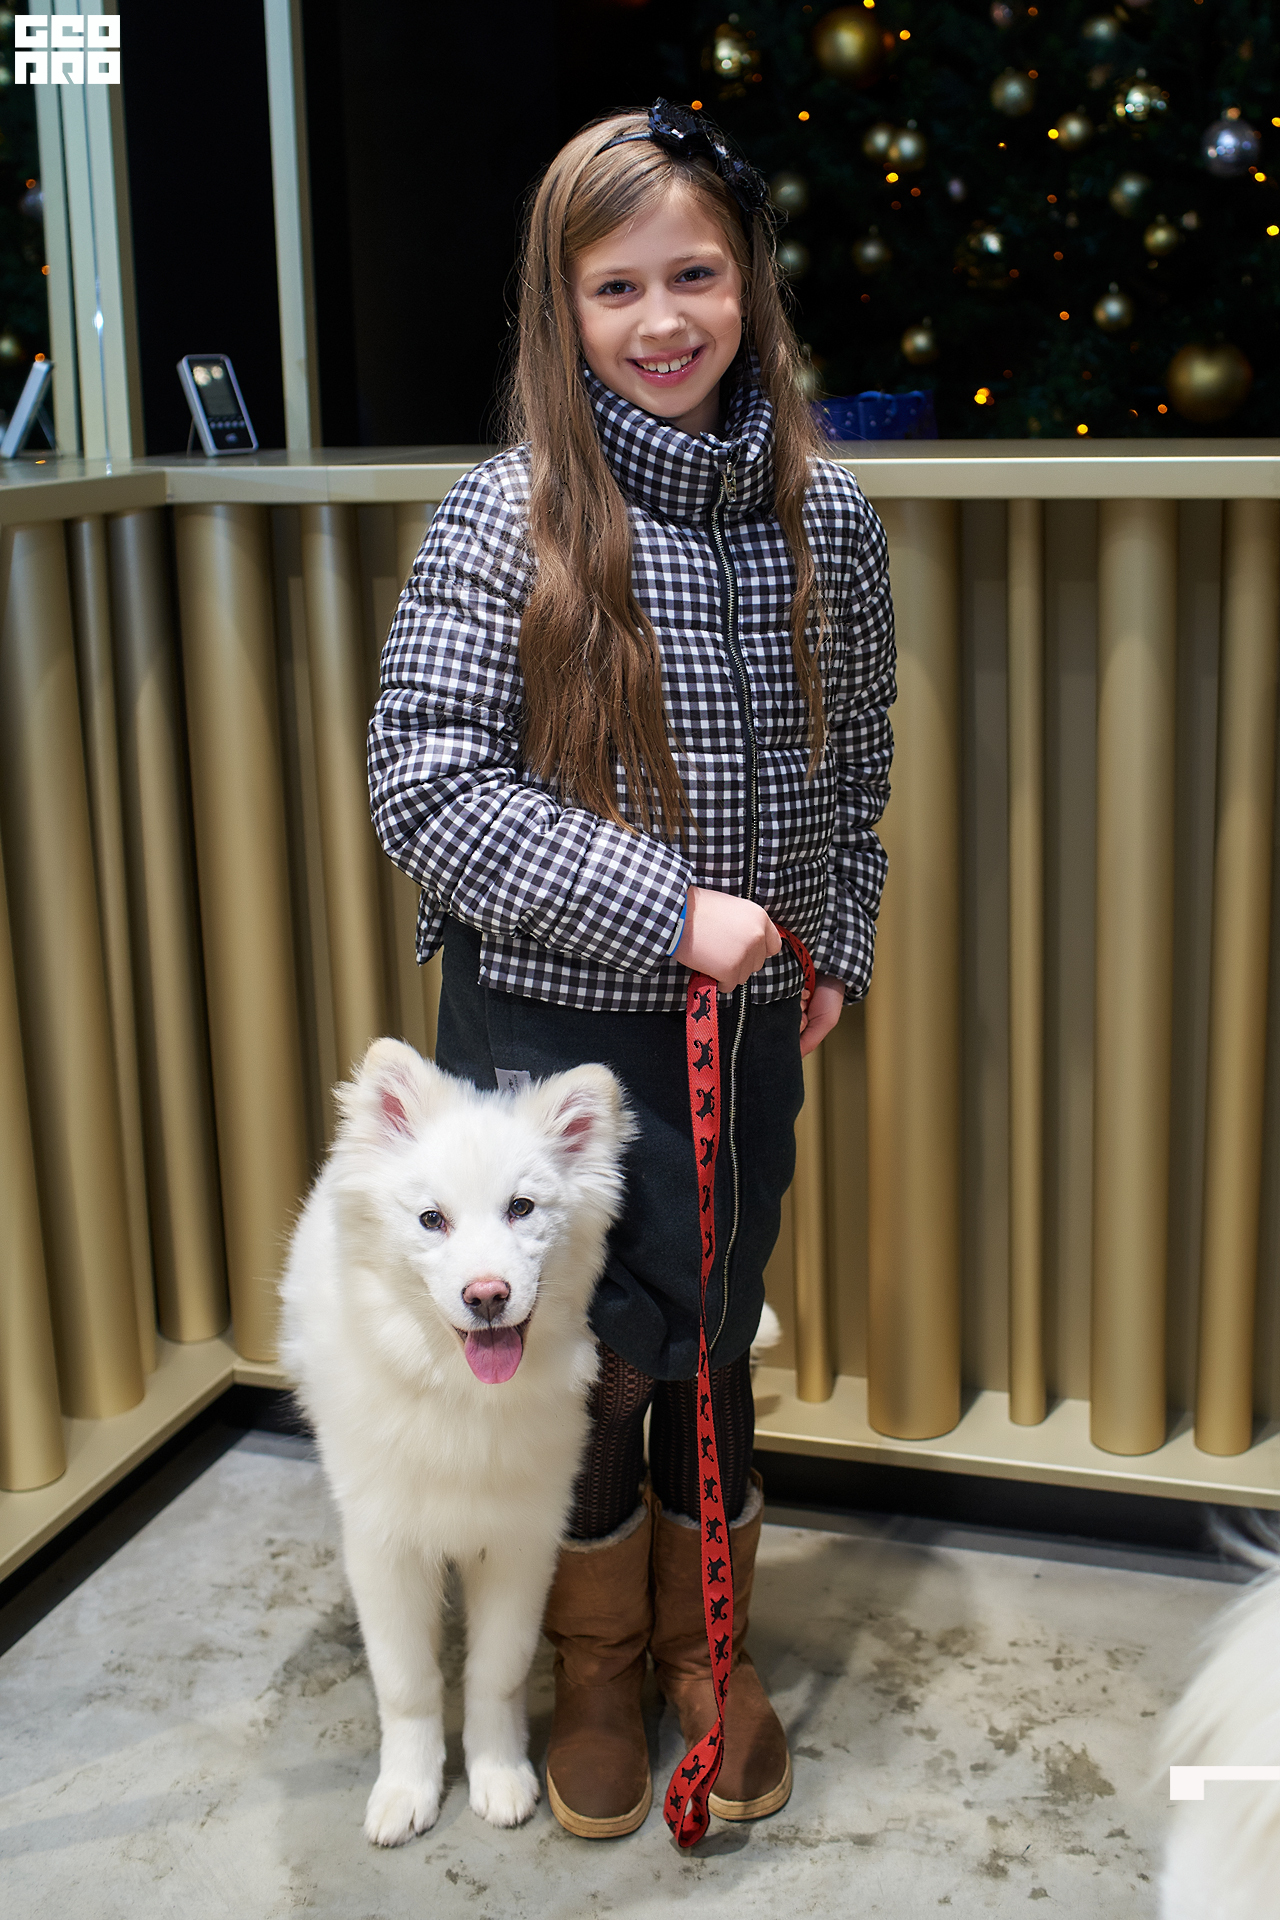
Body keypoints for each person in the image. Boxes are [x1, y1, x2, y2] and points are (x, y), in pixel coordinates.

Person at [368, 98, 895, 1841]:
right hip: (542, 1032)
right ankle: (592, 1665)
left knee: (713, 1332)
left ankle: (701, 1650)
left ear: (751, 285)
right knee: (583, 1357)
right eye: (617, 288)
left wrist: (832, 938)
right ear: (563, 307)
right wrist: (675, 911)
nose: (663, 320)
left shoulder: (830, 521)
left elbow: (856, 761)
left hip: (747, 1023)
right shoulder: (501, 518)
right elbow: (427, 787)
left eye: (696, 276)